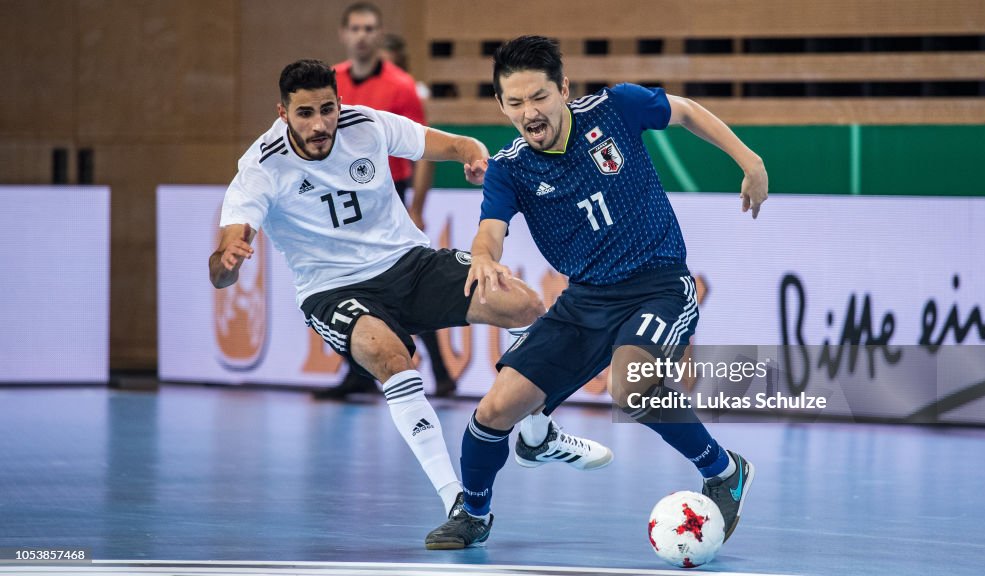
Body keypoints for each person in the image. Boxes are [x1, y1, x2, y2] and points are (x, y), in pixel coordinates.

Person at [209, 58, 612, 520]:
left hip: (409, 263)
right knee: (390, 357)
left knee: (526, 305)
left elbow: (458, 144)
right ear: (283, 114)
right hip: (332, 288)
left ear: (340, 103)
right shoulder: (260, 167)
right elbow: (223, 263)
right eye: (305, 114)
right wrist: (228, 263)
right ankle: (456, 500)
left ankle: (537, 434)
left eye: (327, 109)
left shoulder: (367, 125)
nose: (320, 124)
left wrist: (475, 158)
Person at [425, 36, 768, 550]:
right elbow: (490, 229)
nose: (529, 113)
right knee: (494, 411)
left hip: (658, 285)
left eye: (539, 97)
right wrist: (482, 256)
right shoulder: (510, 168)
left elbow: (687, 112)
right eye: (515, 103)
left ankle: (724, 472)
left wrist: (749, 159)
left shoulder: (616, 108)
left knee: (630, 387)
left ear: (563, 89)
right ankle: (474, 513)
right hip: (584, 300)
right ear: (501, 105)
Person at [317, 2, 454, 399]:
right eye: (355, 28)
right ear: (344, 34)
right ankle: (360, 371)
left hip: (387, 194)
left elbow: (422, 147)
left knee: (402, 283)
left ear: (379, 34)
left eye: (369, 28)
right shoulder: (330, 80)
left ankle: (440, 372)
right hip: (339, 196)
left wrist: (417, 207)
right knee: (338, 281)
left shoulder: (401, 86)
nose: (362, 35)